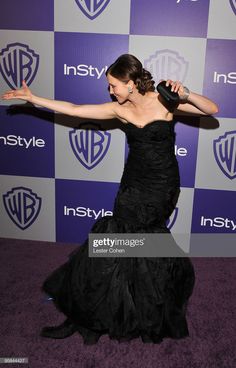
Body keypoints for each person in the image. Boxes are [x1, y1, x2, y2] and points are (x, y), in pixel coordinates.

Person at [2, 54, 218, 345]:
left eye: (114, 85)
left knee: (130, 240)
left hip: (162, 186)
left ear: (130, 84)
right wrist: (35, 98)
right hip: (132, 184)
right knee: (123, 240)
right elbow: (76, 109)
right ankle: (99, 311)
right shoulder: (119, 110)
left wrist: (187, 93)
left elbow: (211, 109)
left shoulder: (165, 99)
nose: (110, 90)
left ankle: (116, 313)